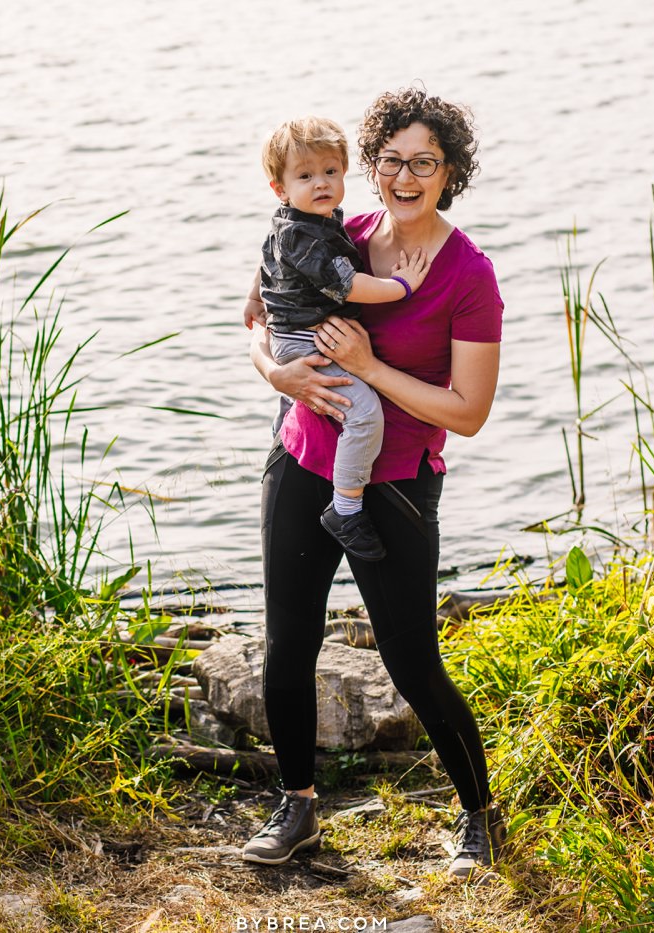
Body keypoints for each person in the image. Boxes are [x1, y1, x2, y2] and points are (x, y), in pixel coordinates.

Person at [240, 88, 505, 880]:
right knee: (288, 648)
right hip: (300, 463)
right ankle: (298, 805)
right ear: (372, 165)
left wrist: (369, 369)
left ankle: (479, 817)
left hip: (393, 487)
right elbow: (255, 317)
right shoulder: (337, 235)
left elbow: (469, 413)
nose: (403, 175)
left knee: (412, 662)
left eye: (423, 161)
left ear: (450, 170)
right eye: (390, 159)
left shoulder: (469, 276)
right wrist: (279, 375)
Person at [258, 116, 431, 561]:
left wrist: (254, 297)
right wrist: (401, 287)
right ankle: (346, 507)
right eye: (306, 175)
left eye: (331, 172)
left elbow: (267, 256)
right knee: (365, 413)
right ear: (280, 189)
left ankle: (293, 437)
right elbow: (348, 285)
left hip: (299, 331)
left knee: (342, 401)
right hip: (303, 339)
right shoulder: (309, 238)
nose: (322, 183)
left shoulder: (303, 222)